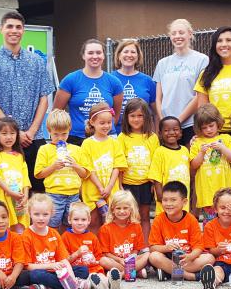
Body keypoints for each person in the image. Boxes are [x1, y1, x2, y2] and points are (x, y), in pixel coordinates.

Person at [0, 11, 54, 193]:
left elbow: (44, 98)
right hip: (3, 140)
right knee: (4, 191)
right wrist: (13, 132)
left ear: (24, 31)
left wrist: (32, 131)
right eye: (9, 26)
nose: (14, 30)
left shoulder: (36, 62)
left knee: (36, 193)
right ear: (1, 29)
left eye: (18, 27)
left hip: (33, 138)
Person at [178, 26, 231, 132]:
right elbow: (203, 111)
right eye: (219, 41)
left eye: (228, 40)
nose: (224, 44)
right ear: (215, 46)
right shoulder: (206, 74)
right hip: (216, 133)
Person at [54, 39, 123, 143]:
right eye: (90, 53)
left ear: (104, 55)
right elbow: (56, 112)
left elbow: (116, 116)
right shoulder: (71, 79)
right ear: (83, 56)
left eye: (98, 53)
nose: (95, 56)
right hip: (77, 138)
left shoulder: (114, 82)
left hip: (106, 138)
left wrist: (102, 128)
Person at [153, 18, 209, 145]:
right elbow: (158, 98)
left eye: (181, 32)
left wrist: (178, 121)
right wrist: (164, 121)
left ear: (190, 34)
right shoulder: (162, 63)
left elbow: (199, 95)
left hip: (190, 123)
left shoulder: (202, 60)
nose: (177, 36)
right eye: (174, 33)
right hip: (167, 125)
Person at [23, 194, 93, 289]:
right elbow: (28, 266)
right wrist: (50, 265)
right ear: (29, 213)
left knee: (83, 270)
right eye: (36, 214)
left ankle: (50, 286)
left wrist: (72, 278)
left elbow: (64, 260)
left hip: (57, 271)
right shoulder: (26, 235)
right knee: (35, 275)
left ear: (51, 214)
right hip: (41, 270)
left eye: (45, 214)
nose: (41, 218)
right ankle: (74, 284)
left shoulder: (54, 233)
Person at [34, 109, 87, 231]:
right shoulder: (44, 149)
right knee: (52, 224)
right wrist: (53, 167)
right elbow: (38, 174)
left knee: (71, 224)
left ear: (69, 130)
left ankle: (65, 246)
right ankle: (53, 246)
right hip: (54, 194)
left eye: (64, 134)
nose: (60, 138)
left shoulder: (76, 149)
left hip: (73, 194)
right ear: (49, 131)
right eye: (56, 134)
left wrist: (75, 165)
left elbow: (84, 174)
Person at [147, 181, 212, 281]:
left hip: (186, 258)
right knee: (153, 257)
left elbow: (198, 247)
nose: (168, 204)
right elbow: (153, 247)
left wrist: (191, 256)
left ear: (184, 202)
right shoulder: (158, 219)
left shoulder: (191, 220)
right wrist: (166, 248)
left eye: (173, 200)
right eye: (165, 200)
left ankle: (168, 272)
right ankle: (189, 276)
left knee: (209, 258)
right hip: (169, 258)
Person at [79, 102, 127, 232]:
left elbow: (117, 166)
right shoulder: (87, 144)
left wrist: (110, 186)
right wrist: (100, 187)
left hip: (111, 188)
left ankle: (109, 249)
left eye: (109, 122)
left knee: (110, 223)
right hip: (93, 188)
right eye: (102, 123)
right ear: (92, 122)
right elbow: (88, 168)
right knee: (93, 222)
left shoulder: (114, 142)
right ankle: (95, 250)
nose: (106, 126)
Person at [117, 98, 158, 239]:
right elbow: (119, 163)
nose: (136, 119)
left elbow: (155, 162)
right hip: (128, 184)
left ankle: (145, 246)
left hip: (146, 184)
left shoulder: (152, 137)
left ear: (146, 117)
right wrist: (119, 184)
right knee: (128, 217)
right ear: (126, 117)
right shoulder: (122, 137)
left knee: (144, 216)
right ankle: (129, 244)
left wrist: (153, 183)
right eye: (132, 116)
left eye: (140, 115)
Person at [189, 104, 231, 219]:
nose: (208, 130)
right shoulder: (197, 142)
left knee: (228, 221)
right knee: (210, 224)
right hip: (207, 193)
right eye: (204, 128)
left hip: (226, 193)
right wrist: (201, 153)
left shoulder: (227, 139)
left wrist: (223, 148)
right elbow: (193, 165)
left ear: (218, 123)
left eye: (211, 126)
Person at [0, 116, 31, 234]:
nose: (9, 137)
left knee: (20, 229)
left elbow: (25, 179)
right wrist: (10, 193)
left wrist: (25, 197)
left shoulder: (20, 156)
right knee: (3, 228)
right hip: (2, 199)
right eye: (4, 133)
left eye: (12, 133)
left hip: (19, 201)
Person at [98, 190, 149, 283]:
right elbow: (105, 253)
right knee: (103, 260)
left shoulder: (136, 226)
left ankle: (121, 275)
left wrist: (132, 257)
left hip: (131, 260)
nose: (122, 211)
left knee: (148, 254)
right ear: (112, 209)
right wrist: (120, 260)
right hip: (115, 261)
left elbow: (137, 249)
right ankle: (135, 272)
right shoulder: (105, 228)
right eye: (118, 208)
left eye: (125, 208)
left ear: (131, 209)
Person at [63, 201, 112, 289]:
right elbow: (65, 260)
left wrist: (94, 260)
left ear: (89, 220)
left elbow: (99, 257)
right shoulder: (65, 237)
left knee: (101, 277)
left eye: (83, 220)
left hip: (95, 268)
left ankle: (109, 283)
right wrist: (77, 253)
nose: (80, 223)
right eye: (76, 219)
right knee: (92, 278)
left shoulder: (92, 237)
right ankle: (101, 285)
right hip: (80, 271)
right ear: (69, 220)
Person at [148, 116, 191, 215]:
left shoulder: (185, 150)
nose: (171, 133)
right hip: (166, 203)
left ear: (180, 132)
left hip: (183, 202)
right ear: (160, 134)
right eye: (166, 130)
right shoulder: (159, 152)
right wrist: (161, 197)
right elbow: (156, 178)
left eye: (175, 129)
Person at [111, 39, 156, 131]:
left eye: (133, 52)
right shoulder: (110, 78)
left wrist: (156, 134)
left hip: (141, 133)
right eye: (126, 52)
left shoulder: (147, 80)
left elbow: (156, 112)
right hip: (115, 133)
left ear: (138, 56)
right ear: (119, 55)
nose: (129, 55)